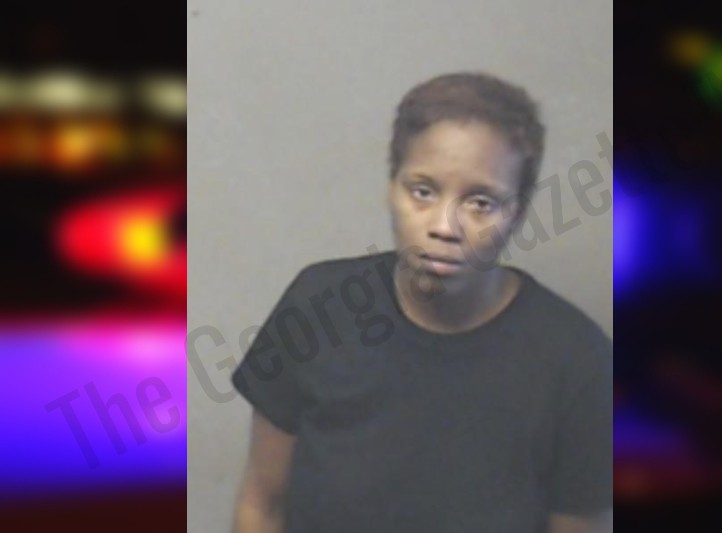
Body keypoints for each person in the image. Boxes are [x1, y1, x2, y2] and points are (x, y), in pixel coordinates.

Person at [231, 72, 612, 533]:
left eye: (481, 202)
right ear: (391, 188)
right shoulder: (318, 307)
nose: (445, 227)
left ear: (518, 212)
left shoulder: (578, 362)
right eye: (423, 191)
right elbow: (261, 506)